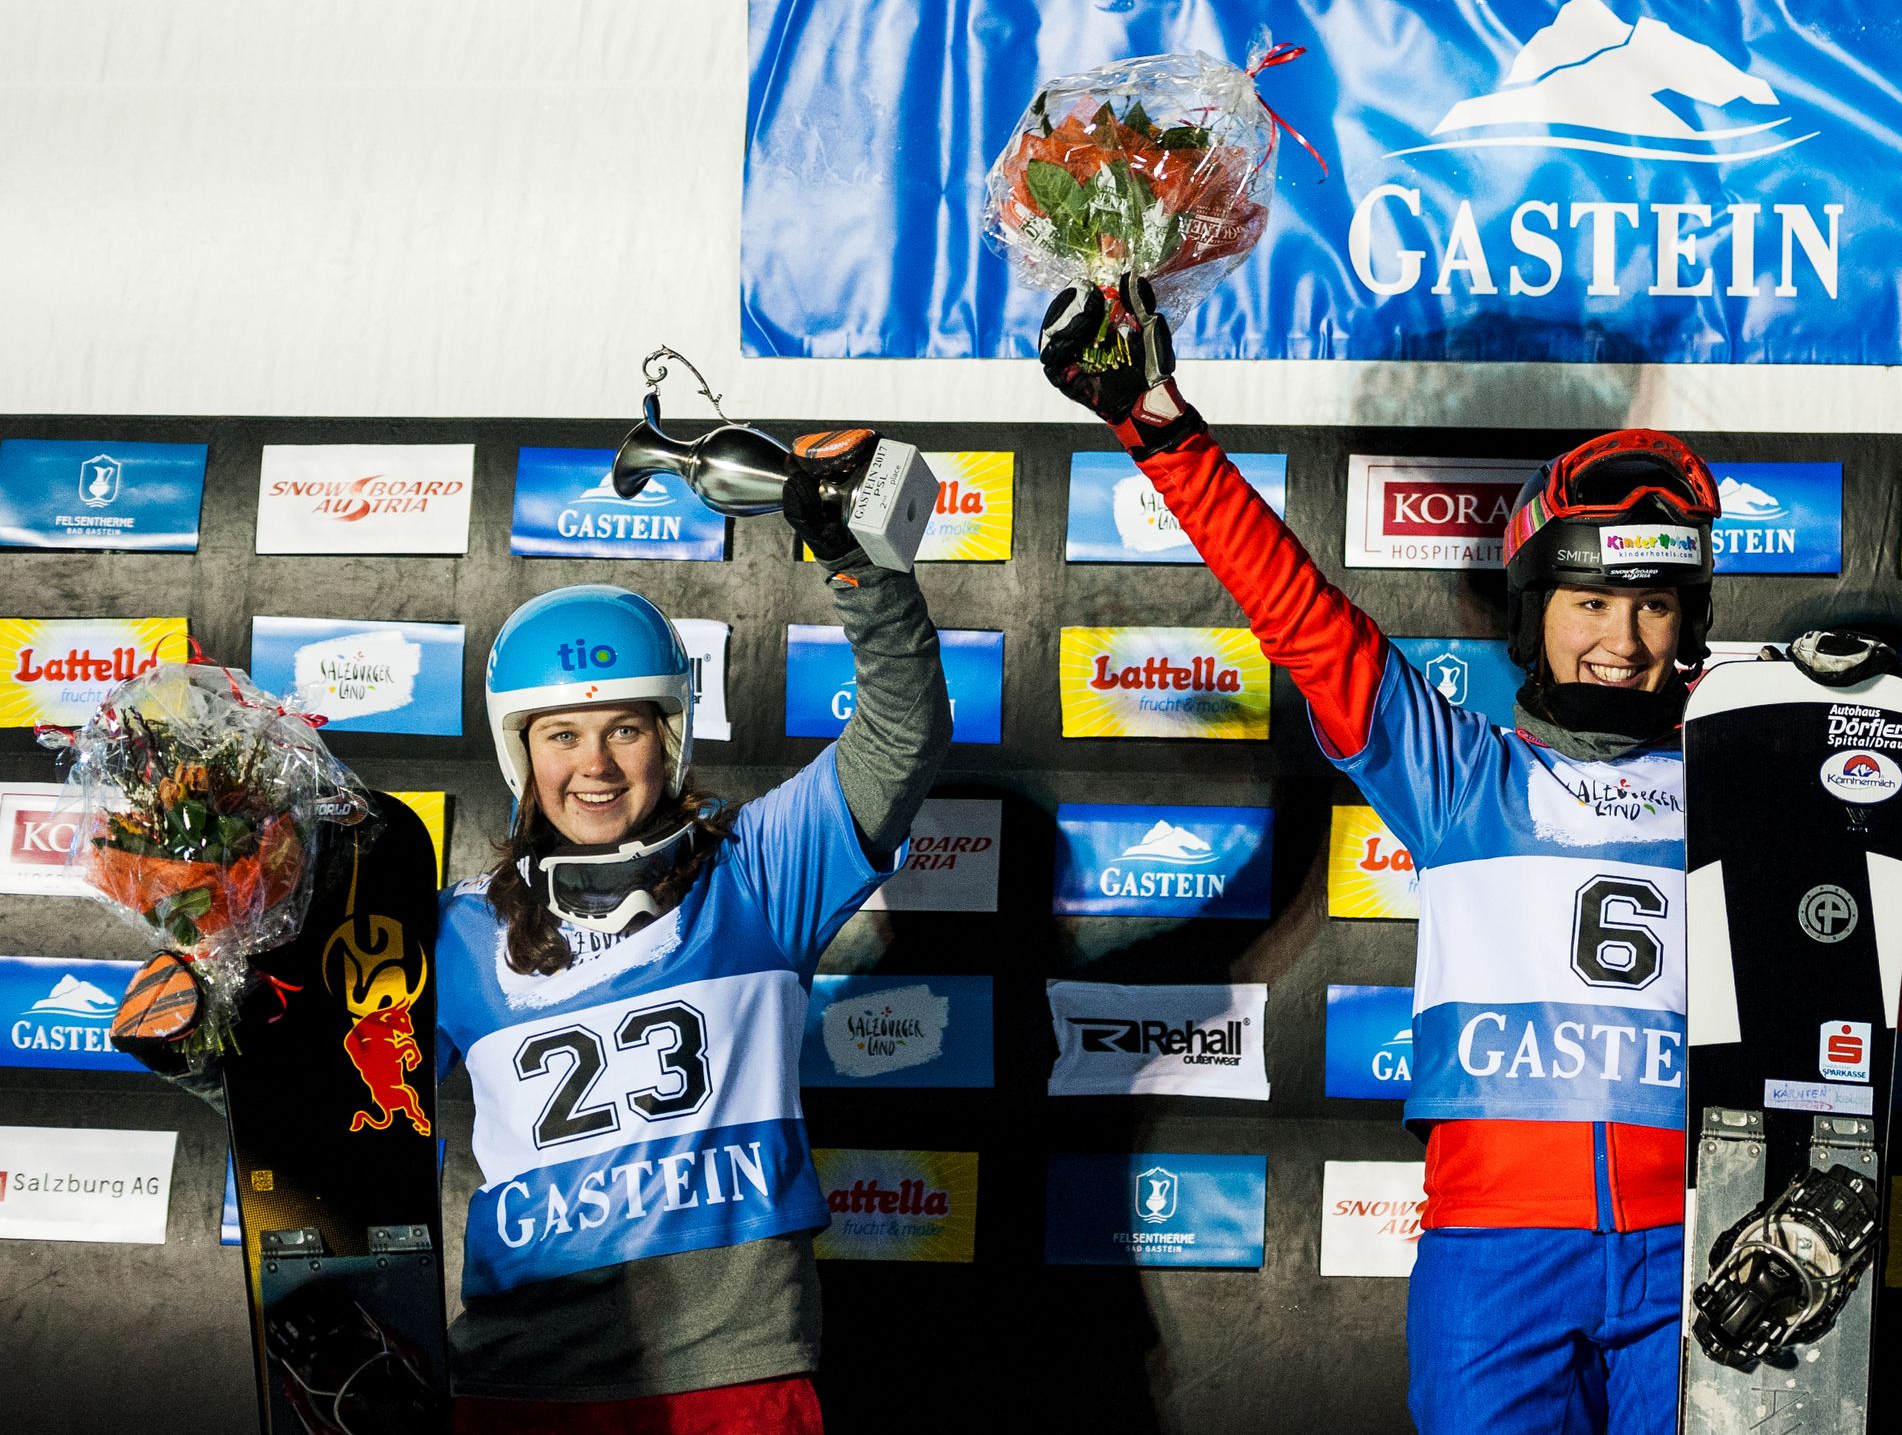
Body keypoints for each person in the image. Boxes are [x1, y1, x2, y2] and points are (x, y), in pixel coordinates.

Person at [1042, 273, 1715, 1434]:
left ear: (1690, 620)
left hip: (1699, 1245)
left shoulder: (1744, 787)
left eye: (1655, 603)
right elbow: (1303, 617)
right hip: (1497, 1255)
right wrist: (1161, 430)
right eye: (1590, 599)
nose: (1622, 636)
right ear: (1533, 609)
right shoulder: (1461, 773)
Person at [438, 473, 951, 1435]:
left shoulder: (757, 872)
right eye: (563, 735)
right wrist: (209, 1025)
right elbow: (342, 1110)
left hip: (732, 1378)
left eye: (624, 728)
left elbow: (899, 734)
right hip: (519, 1382)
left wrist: (856, 562)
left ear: (667, 740)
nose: (594, 765)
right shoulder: (459, 930)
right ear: (522, 757)